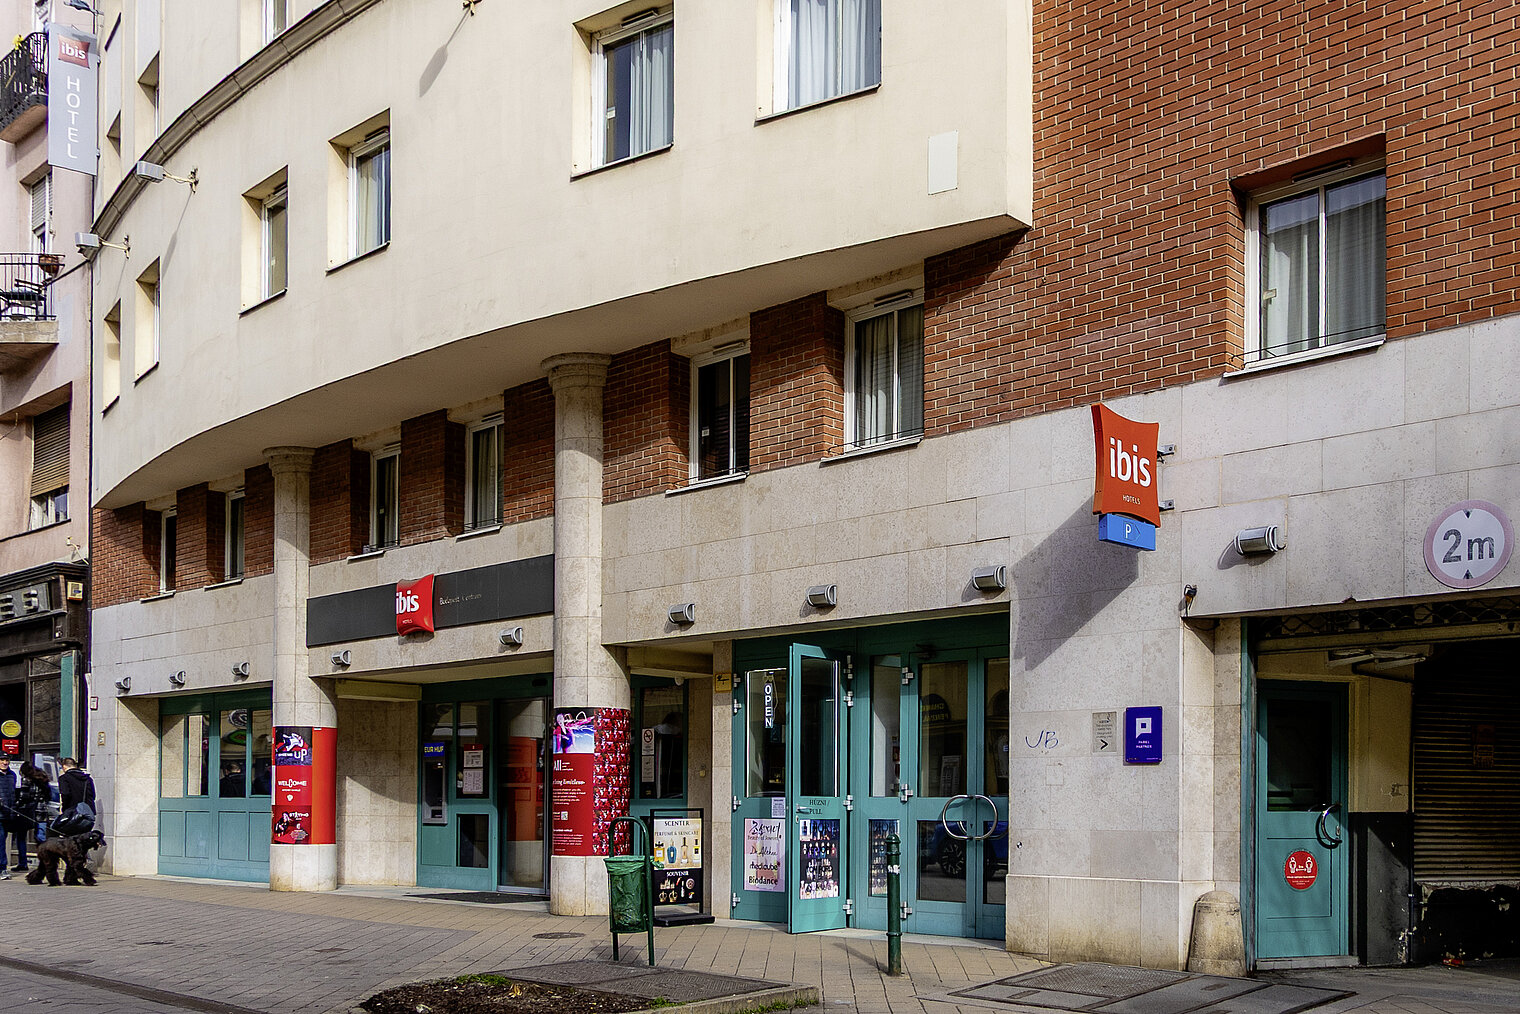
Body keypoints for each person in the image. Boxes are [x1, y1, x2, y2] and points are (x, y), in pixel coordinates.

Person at [57, 757, 96, 834]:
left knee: (71, 836)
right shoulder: (87, 778)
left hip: (72, 813)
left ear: (64, 767)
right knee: (84, 836)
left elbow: (65, 794)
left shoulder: (64, 778)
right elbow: (93, 795)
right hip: (87, 813)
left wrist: (65, 810)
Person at [0, 757, 20, 878]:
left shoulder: (12, 775)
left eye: (7, 760)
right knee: (1, 841)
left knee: (3, 840)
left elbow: (14, 793)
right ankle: (2, 868)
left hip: (8, 814)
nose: (5, 763)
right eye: (2, 760)